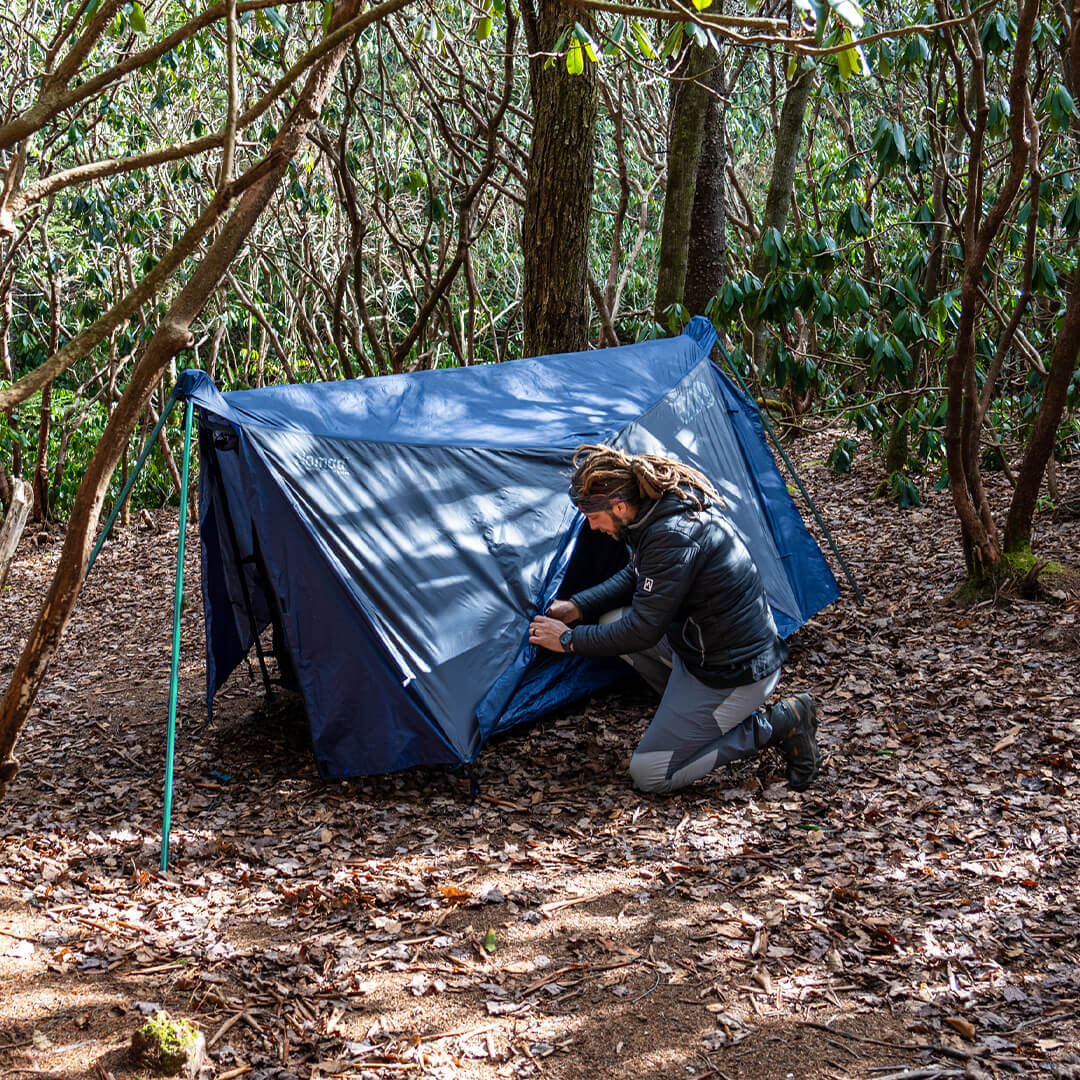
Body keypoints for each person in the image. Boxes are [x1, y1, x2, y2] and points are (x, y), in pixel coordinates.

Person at [528, 444, 821, 794]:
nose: (592, 527)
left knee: (650, 773)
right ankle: (689, 716)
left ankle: (778, 723)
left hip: (734, 673)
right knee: (608, 621)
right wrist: (578, 605)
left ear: (618, 505)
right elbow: (637, 574)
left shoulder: (671, 535)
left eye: (593, 517)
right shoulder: (656, 513)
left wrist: (567, 640)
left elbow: (642, 630)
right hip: (704, 649)